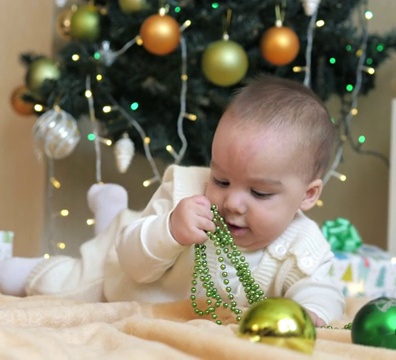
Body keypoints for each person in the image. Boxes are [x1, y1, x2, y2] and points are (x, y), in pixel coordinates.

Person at [0, 75, 345, 326]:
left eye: (259, 193)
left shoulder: (303, 246)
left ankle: (111, 208)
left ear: (308, 195)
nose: (233, 203)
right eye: (221, 180)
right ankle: (9, 265)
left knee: (115, 229)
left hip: (134, 239)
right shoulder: (186, 194)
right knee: (70, 284)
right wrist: (170, 231)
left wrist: (311, 314)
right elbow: (132, 260)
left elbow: (323, 289)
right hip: (120, 268)